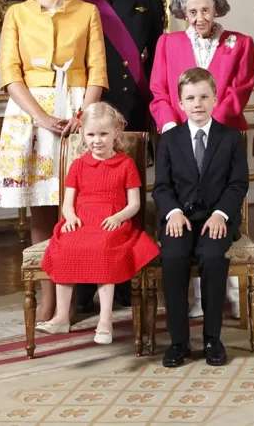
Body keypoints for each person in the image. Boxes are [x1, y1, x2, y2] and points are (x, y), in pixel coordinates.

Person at [0, 0, 107, 322]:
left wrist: (84, 117)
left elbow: (97, 71)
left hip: (77, 110)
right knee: (41, 208)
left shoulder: (86, 12)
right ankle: (47, 294)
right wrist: (39, 117)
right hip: (31, 113)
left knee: (73, 206)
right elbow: (9, 74)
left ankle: (71, 297)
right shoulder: (17, 14)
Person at [67, 0, 165, 312]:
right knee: (89, 201)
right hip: (88, 109)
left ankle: (126, 281)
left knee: (128, 197)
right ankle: (84, 284)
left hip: (132, 109)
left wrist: (157, 109)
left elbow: (158, 53)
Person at [150, 0, 254, 320]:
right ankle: (194, 300)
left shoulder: (240, 43)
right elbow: (159, 92)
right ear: (182, 12)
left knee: (220, 211)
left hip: (221, 138)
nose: (199, 17)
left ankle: (232, 294)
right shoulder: (168, 43)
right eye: (191, 11)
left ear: (217, 8)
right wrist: (175, 131)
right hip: (179, 140)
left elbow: (239, 90)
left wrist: (212, 128)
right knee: (184, 214)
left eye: (206, 10)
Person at [37, 102, 159, 343]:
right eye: (91, 134)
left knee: (104, 248)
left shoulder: (125, 165)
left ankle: (105, 320)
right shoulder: (79, 165)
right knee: (64, 247)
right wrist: (70, 217)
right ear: (83, 134)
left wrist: (118, 217)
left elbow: (134, 204)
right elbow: (67, 202)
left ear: (116, 132)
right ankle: (61, 317)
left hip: (112, 220)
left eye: (103, 134)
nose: (97, 140)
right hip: (82, 219)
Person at [152, 68, 249, 367]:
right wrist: (173, 212)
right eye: (190, 98)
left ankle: (212, 339)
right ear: (180, 103)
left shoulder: (231, 139)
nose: (197, 103)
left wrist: (221, 214)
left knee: (212, 257)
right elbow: (162, 187)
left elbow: (238, 184)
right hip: (179, 218)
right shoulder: (169, 140)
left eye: (204, 97)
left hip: (215, 218)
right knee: (174, 258)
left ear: (215, 99)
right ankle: (179, 342)